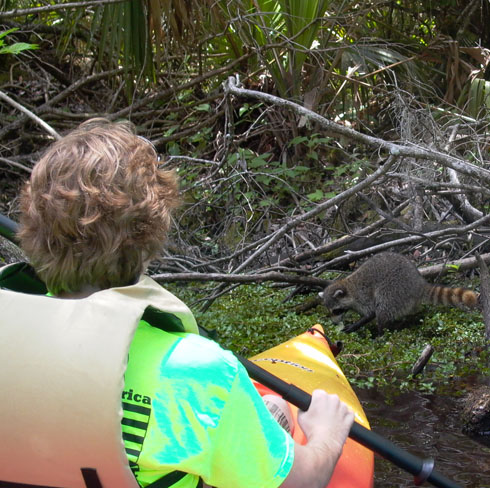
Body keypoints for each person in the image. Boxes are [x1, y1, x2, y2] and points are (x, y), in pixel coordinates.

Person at [10, 118, 355, 488]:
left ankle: (263, 424)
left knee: (266, 414)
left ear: (32, 230)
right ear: (149, 237)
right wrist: (327, 434)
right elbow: (302, 483)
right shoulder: (200, 373)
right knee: (271, 419)